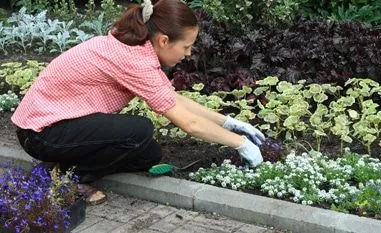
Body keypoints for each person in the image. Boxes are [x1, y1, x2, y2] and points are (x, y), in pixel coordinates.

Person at [11, 0, 265, 205]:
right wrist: (241, 145)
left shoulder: (136, 47)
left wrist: (231, 123)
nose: (188, 53)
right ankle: (70, 178)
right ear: (164, 40)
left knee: (149, 153)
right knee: (138, 130)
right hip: (40, 133)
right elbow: (188, 124)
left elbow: (173, 99)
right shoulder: (135, 61)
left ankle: (64, 162)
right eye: (186, 46)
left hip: (59, 126)